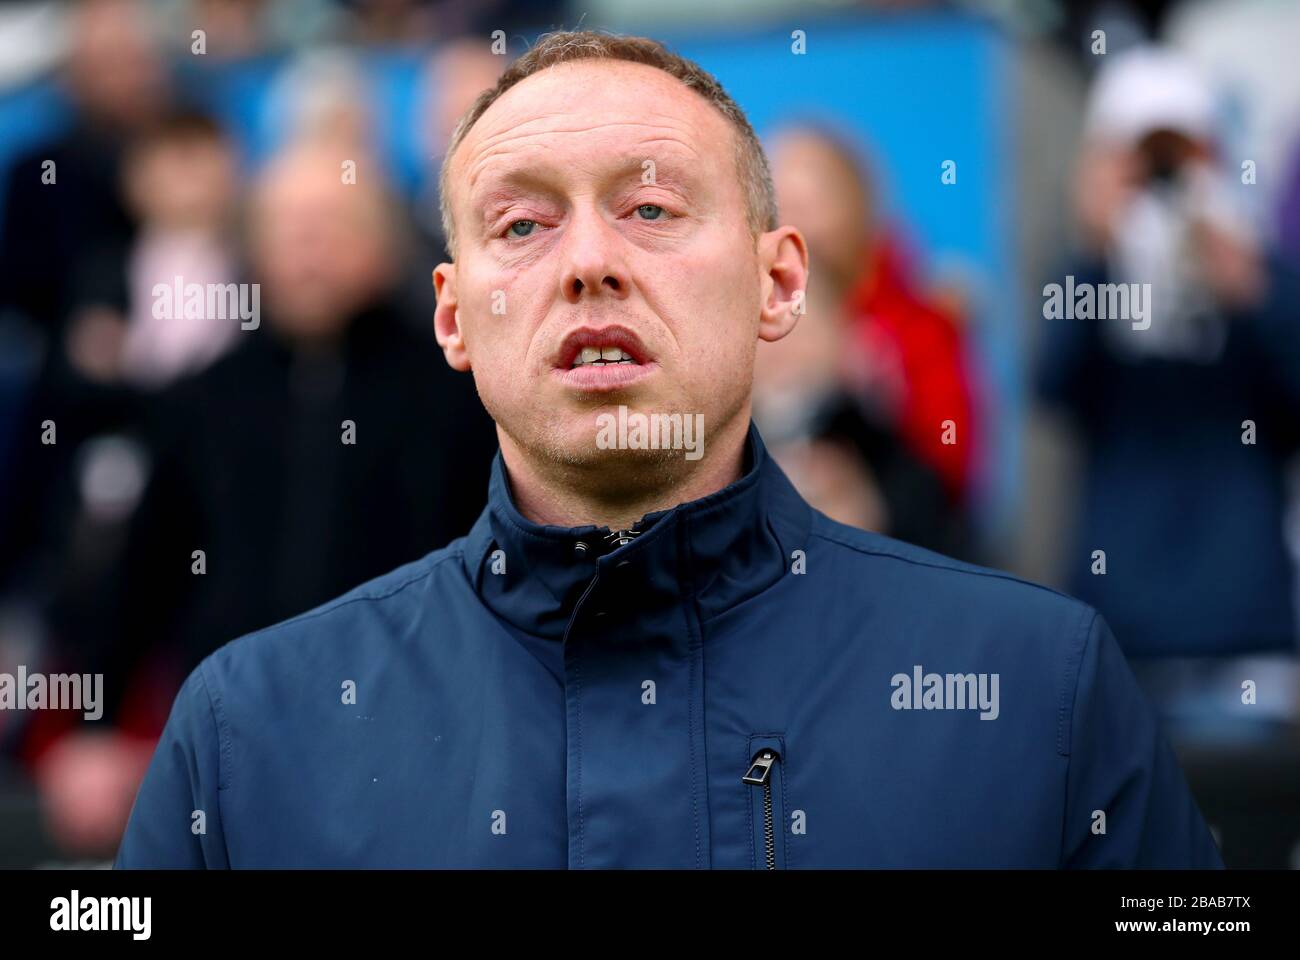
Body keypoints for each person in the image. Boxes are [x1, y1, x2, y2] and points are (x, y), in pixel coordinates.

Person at [115, 30, 1221, 868]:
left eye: (649, 209)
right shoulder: (248, 737)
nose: (589, 260)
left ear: (779, 281)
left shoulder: (1039, 693)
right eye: (521, 224)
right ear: (452, 316)